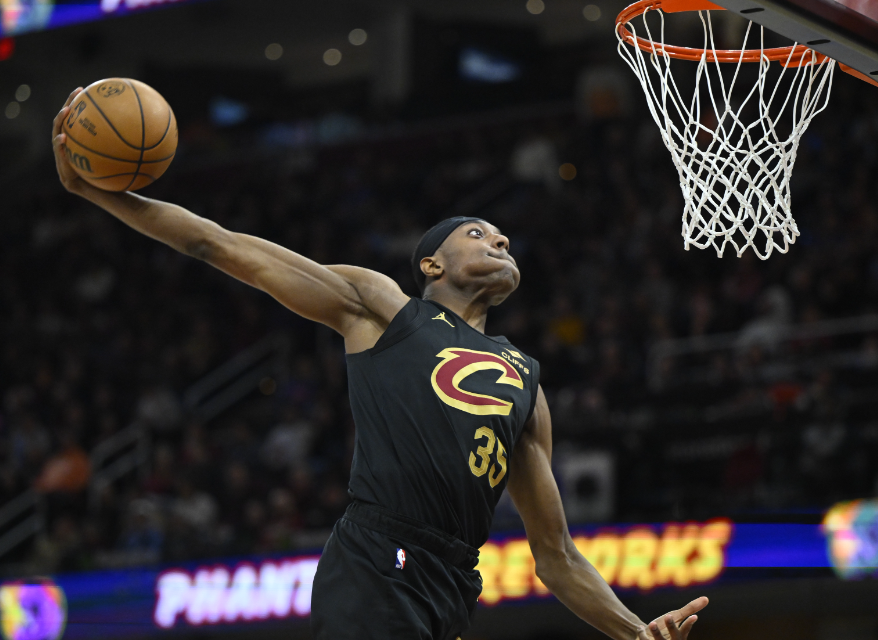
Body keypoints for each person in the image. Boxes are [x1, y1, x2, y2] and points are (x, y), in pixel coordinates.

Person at [51, 89, 708, 640]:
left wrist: (636, 632)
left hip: (454, 580)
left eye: (502, 236)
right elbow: (217, 245)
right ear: (432, 264)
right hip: (378, 554)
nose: (500, 238)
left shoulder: (525, 380)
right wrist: (97, 193)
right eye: (477, 233)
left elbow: (557, 555)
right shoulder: (383, 309)